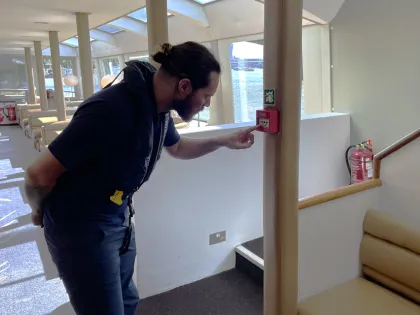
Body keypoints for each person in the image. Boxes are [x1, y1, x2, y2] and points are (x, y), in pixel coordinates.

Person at [24, 41, 258, 315]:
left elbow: (178, 148)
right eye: (207, 95)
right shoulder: (109, 109)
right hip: (81, 229)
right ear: (184, 87)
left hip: (118, 219)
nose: (206, 104)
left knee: (127, 303)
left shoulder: (157, 110)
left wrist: (223, 140)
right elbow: (37, 173)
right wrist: (40, 211)